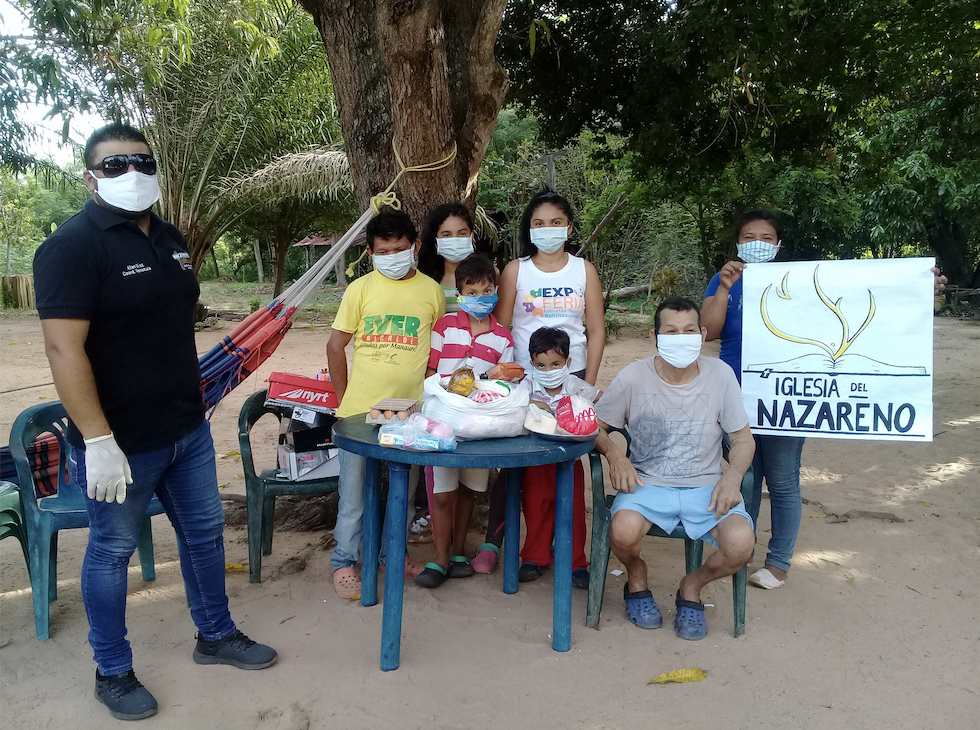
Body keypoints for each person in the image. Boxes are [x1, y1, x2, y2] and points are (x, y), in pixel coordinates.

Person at [33, 123, 277, 722]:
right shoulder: (71, 247)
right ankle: (111, 672)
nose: (130, 173)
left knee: (205, 535)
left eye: (140, 162)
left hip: (187, 428)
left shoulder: (171, 240)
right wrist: (97, 440)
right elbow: (65, 352)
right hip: (121, 439)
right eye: (113, 165)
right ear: (89, 177)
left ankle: (215, 635)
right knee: (110, 551)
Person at [702, 209, 948, 591]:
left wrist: (915, 285)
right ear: (737, 243)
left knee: (782, 480)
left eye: (766, 238)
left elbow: (869, 293)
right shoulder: (725, 279)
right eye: (749, 237)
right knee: (744, 476)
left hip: (787, 397)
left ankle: (779, 562)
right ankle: (739, 551)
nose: (757, 244)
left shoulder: (800, 282)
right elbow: (708, 330)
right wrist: (724, 288)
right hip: (734, 396)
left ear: (779, 245)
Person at [593, 297, 756, 640]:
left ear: (703, 333)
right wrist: (615, 455)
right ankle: (636, 578)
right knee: (621, 532)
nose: (681, 338)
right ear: (655, 336)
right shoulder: (633, 376)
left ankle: (691, 586)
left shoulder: (721, 375)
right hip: (647, 485)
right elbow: (595, 426)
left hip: (707, 487)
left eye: (688, 331)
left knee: (741, 544)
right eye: (671, 331)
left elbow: (743, 439)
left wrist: (733, 476)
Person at [472, 190, 605, 573]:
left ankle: (573, 557)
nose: (547, 230)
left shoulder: (584, 271)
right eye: (538, 223)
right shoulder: (516, 270)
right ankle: (534, 552)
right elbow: (500, 328)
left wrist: (586, 387)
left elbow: (595, 330)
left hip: (573, 377)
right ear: (529, 230)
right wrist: (502, 378)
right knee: (531, 467)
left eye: (555, 222)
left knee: (567, 465)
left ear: (569, 227)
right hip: (526, 381)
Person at [326, 207, 445, 599]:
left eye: (400, 247)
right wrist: (344, 401)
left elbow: (442, 346)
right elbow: (336, 344)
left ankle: (392, 554)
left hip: (411, 416)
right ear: (371, 253)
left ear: (415, 247)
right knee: (354, 495)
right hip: (358, 413)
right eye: (383, 250)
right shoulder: (359, 290)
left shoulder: (431, 291)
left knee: (404, 491)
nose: (392, 255)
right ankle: (344, 561)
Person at [416, 254, 515, 588]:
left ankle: (458, 552)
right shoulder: (444, 327)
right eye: (472, 292)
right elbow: (431, 373)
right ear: (459, 293)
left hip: (480, 427)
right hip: (444, 425)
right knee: (442, 493)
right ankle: (440, 557)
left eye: (487, 291)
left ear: (497, 292)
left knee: (470, 489)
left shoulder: (503, 338)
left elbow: (506, 384)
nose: (480, 298)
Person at [519, 327, 599, 587]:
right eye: (541, 365)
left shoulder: (574, 385)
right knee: (535, 508)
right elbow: (515, 403)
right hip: (536, 461)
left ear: (568, 363)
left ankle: (576, 562)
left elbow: (600, 399)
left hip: (568, 461)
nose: (549, 370)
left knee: (573, 511)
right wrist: (532, 402)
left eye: (556, 363)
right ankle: (534, 558)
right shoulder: (528, 385)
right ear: (532, 363)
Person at [417, 202, 476, 315]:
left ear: (471, 235)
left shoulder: (489, 274)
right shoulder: (422, 278)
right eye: (446, 235)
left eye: (462, 233)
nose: (455, 239)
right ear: (436, 239)